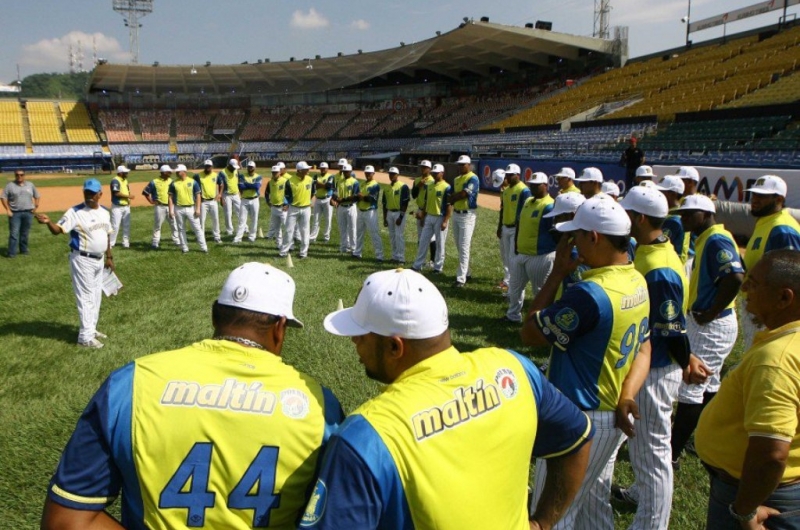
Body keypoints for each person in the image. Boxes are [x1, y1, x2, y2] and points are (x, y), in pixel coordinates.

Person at [41, 262, 344, 529]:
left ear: (215, 315)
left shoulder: (131, 383)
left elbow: (66, 521)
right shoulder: (319, 406)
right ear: (280, 328)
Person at [302, 268, 594, 529]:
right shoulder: (514, 369)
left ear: (395, 347)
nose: (355, 342)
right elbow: (578, 437)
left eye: (361, 335)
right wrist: (542, 523)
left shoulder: (366, 436)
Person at [520, 195, 652, 530]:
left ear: (594, 237)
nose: (571, 243)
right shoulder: (636, 279)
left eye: (576, 235)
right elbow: (645, 347)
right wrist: (627, 395)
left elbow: (530, 332)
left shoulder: (590, 294)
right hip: (611, 415)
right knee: (593, 509)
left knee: (555, 516)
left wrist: (557, 273)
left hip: (579, 418)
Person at [613, 185, 709, 529]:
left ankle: (652, 525)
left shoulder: (660, 267)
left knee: (652, 455)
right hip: (647, 362)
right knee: (645, 454)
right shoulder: (654, 249)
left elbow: (671, 328)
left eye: (626, 212)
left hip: (655, 368)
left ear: (638, 218)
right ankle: (644, 504)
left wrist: (685, 361)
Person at [695, 250, 800, 530]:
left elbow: (771, 455)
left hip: (754, 495)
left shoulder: (776, 360)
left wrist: (744, 512)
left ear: (784, 298)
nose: (744, 289)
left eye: (753, 283)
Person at [671, 194, 744, 468]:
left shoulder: (716, 239)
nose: (683, 219)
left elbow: (735, 276)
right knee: (708, 386)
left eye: (689, 214)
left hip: (712, 324)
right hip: (711, 321)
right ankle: (701, 436)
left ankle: (672, 453)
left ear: (705, 213)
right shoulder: (709, 238)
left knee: (692, 387)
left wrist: (711, 311)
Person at [35, 179, 113, 349]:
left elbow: (107, 235)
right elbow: (58, 231)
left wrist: (109, 257)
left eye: (92, 193)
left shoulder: (105, 212)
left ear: (100, 194)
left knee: (95, 296)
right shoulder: (75, 212)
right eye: (86, 192)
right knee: (85, 297)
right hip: (82, 259)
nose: (89, 196)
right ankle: (84, 338)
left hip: (99, 260)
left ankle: (91, 330)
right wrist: (49, 222)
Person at [741, 175, 800, 349]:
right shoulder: (766, 223)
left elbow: (791, 277)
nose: (755, 200)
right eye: (754, 195)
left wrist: (770, 313)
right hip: (759, 303)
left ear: (779, 199)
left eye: (762, 196)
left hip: (771, 311)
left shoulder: (782, 229)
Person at [504, 171, 555, 323]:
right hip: (522, 253)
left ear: (545, 186)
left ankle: (542, 321)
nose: (533, 188)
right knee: (514, 287)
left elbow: (553, 233)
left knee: (539, 291)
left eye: (537, 185)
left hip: (539, 255)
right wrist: (517, 245)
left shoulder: (549, 206)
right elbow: (519, 222)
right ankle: (513, 316)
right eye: (531, 185)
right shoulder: (528, 202)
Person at [497, 164, 531, 292]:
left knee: (513, 258)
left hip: (516, 228)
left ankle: (513, 286)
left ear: (518, 175)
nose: (508, 177)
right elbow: (502, 209)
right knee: (506, 256)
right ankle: (507, 281)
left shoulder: (524, 190)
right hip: (506, 227)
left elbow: (525, 212)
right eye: (507, 175)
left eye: (511, 175)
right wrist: (499, 226)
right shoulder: (505, 191)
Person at [412, 164, 451, 273]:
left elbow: (449, 206)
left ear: (442, 173)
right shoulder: (429, 185)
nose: (434, 174)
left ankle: (438, 267)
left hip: (440, 217)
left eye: (437, 173)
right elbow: (426, 203)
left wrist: (445, 221)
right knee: (423, 241)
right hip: (429, 216)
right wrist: (423, 215)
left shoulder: (446, 187)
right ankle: (417, 265)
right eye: (433, 173)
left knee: (440, 243)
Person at [448, 154, 480, 288]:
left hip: (467, 215)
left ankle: (461, 279)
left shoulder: (473, 177)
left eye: (463, 164)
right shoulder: (456, 179)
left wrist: (453, 198)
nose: (461, 166)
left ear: (469, 165)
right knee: (459, 245)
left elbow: (464, 194)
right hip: (456, 213)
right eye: (459, 164)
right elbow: (456, 195)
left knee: (464, 246)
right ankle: (467, 272)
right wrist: (454, 197)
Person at [1, 169, 40, 258]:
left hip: (28, 212)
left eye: (21, 175)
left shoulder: (30, 185)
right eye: (17, 175)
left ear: (24, 175)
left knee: (25, 233)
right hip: (15, 213)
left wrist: (36, 206)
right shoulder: (10, 186)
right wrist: (8, 209)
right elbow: (3, 198)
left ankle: (24, 250)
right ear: (15, 175)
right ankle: (11, 253)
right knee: (14, 233)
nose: (19, 176)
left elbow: (37, 195)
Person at [169, 164, 208, 253]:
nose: (177, 173)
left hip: (191, 208)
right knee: (181, 229)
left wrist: (198, 209)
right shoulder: (174, 183)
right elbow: (170, 197)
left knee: (197, 228)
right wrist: (171, 211)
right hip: (178, 208)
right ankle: (184, 248)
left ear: (184, 171)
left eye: (179, 171)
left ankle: (204, 248)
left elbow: (198, 195)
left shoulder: (193, 182)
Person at [280, 161, 315, 259]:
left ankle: (303, 253)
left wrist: (306, 201)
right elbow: (287, 196)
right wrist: (286, 204)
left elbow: (312, 192)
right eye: (306, 169)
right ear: (299, 170)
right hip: (293, 209)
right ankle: (283, 252)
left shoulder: (310, 180)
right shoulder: (290, 181)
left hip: (306, 209)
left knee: (305, 231)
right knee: (288, 230)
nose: (308, 170)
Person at [142, 165, 180, 249]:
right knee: (157, 225)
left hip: (171, 206)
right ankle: (155, 242)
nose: (170, 173)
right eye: (169, 172)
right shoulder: (154, 182)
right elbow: (145, 192)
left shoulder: (172, 181)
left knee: (174, 223)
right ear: (163, 172)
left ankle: (176, 240)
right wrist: (151, 201)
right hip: (160, 206)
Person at [656, 175, 690, 263]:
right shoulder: (670, 215)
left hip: (675, 264)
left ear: (673, 194)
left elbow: (659, 245)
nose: (658, 194)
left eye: (662, 192)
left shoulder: (674, 220)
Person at [353, 165, 384, 261]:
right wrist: (360, 196)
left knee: (374, 233)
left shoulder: (375, 185)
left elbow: (371, 199)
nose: (367, 175)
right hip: (361, 211)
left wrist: (361, 196)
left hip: (370, 212)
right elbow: (357, 196)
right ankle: (357, 253)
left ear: (373, 173)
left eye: (369, 173)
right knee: (359, 233)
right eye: (366, 173)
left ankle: (379, 256)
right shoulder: (362, 184)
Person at [382, 166, 410, 264]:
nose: (391, 175)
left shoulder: (403, 186)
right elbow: (384, 205)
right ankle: (394, 256)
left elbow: (405, 203)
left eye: (393, 174)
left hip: (399, 213)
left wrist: (401, 216)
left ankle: (401, 258)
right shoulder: (386, 188)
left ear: (398, 175)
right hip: (389, 213)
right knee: (392, 236)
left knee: (399, 236)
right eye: (390, 174)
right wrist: (384, 218)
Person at [411, 160, 436, 268]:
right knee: (421, 236)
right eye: (422, 167)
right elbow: (413, 195)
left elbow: (431, 198)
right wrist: (418, 186)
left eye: (425, 167)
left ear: (430, 169)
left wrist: (424, 214)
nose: (423, 169)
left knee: (431, 237)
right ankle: (421, 260)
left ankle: (432, 260)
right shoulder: (417, 180)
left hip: (429, 211)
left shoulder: (432, 181)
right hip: (420, 209)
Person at [194, 159, 223, 244]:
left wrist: (220, 194)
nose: (208, 168)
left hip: (213, 201)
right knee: (201, 221)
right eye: (206, 166)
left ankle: (217, 237)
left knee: (216, 219)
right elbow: (193, 187)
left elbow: (221, 184)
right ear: (204, 166)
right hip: (203, 202)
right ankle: (201, 237)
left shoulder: (216, 175)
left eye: (209, 166)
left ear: (212, 167)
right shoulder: (198, 176)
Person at [332, 163, 359, 254]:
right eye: (344, 171)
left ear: (350, 171)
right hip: (341, 207)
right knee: (342, 228)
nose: (345, 173)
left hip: (351, 207)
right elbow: (334, 192)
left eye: (347, 172)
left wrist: (342, 199)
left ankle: (354, 248)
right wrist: (336, 198)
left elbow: (356, 196)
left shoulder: (354, 182)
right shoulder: (339, 181)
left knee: (352, 228)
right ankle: (344, 247)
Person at [234, 161, 262, 244]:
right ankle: (238, 238)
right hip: (244, 200)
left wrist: (246, 184)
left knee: (254, 219)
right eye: (249, 167)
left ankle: (252, 236)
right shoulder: (242, 176)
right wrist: (250, 185)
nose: (250, 168)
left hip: (254, 199)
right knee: (242, 219)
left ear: (255, 167)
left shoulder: (258, 176)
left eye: (252, 167)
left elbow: (257, 186)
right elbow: (241, 186)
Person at [109, 165, 134, 249]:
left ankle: (125, 242)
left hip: (126, 206)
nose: (127, 173)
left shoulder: (125, 180)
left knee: (126, 225)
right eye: (125, 172)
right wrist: (128, 196)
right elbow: (116, 193)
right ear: (120, 173)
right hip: (117, 206)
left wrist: (128, 199)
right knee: (115, 226)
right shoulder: (115, 180)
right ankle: (111, 243)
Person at [265, 164, 288, 249]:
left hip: (283, 208)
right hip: (274, 207)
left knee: (286, 227)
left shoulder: (285, 181)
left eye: (276, 172)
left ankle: (290, 245)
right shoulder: (270, 182)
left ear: (279, 172)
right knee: (276, 228)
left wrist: (287, 204)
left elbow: (291, 194)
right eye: (273, 172)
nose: (274, 174)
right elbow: (267, 193)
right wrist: (268, 201)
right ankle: (279, 244)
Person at [218, 158, 242, 237]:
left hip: (236, 194)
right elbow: (220, 185)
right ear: (229, 165)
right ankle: (229, 230)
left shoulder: (236, 170)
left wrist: (240, 192)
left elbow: (238, 182)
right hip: (226, 195)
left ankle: (243, 227)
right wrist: (221, 197)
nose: (235, 168)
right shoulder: (222, 173)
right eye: (233, 167)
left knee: (240, 212)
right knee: (228, 213)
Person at [310, 162, 334, 242]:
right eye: (321, 168)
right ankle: (313, 237)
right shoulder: (316, 176)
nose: (323, 169)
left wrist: (319, 184)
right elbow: (314, 185)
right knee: (316, 219)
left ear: (327, 168)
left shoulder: (330, 176)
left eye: (324, 168)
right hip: (318, 199)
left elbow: (329, 186)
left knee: (328, 219)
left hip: (327, 199)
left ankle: (326, 237)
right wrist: (323, 185)